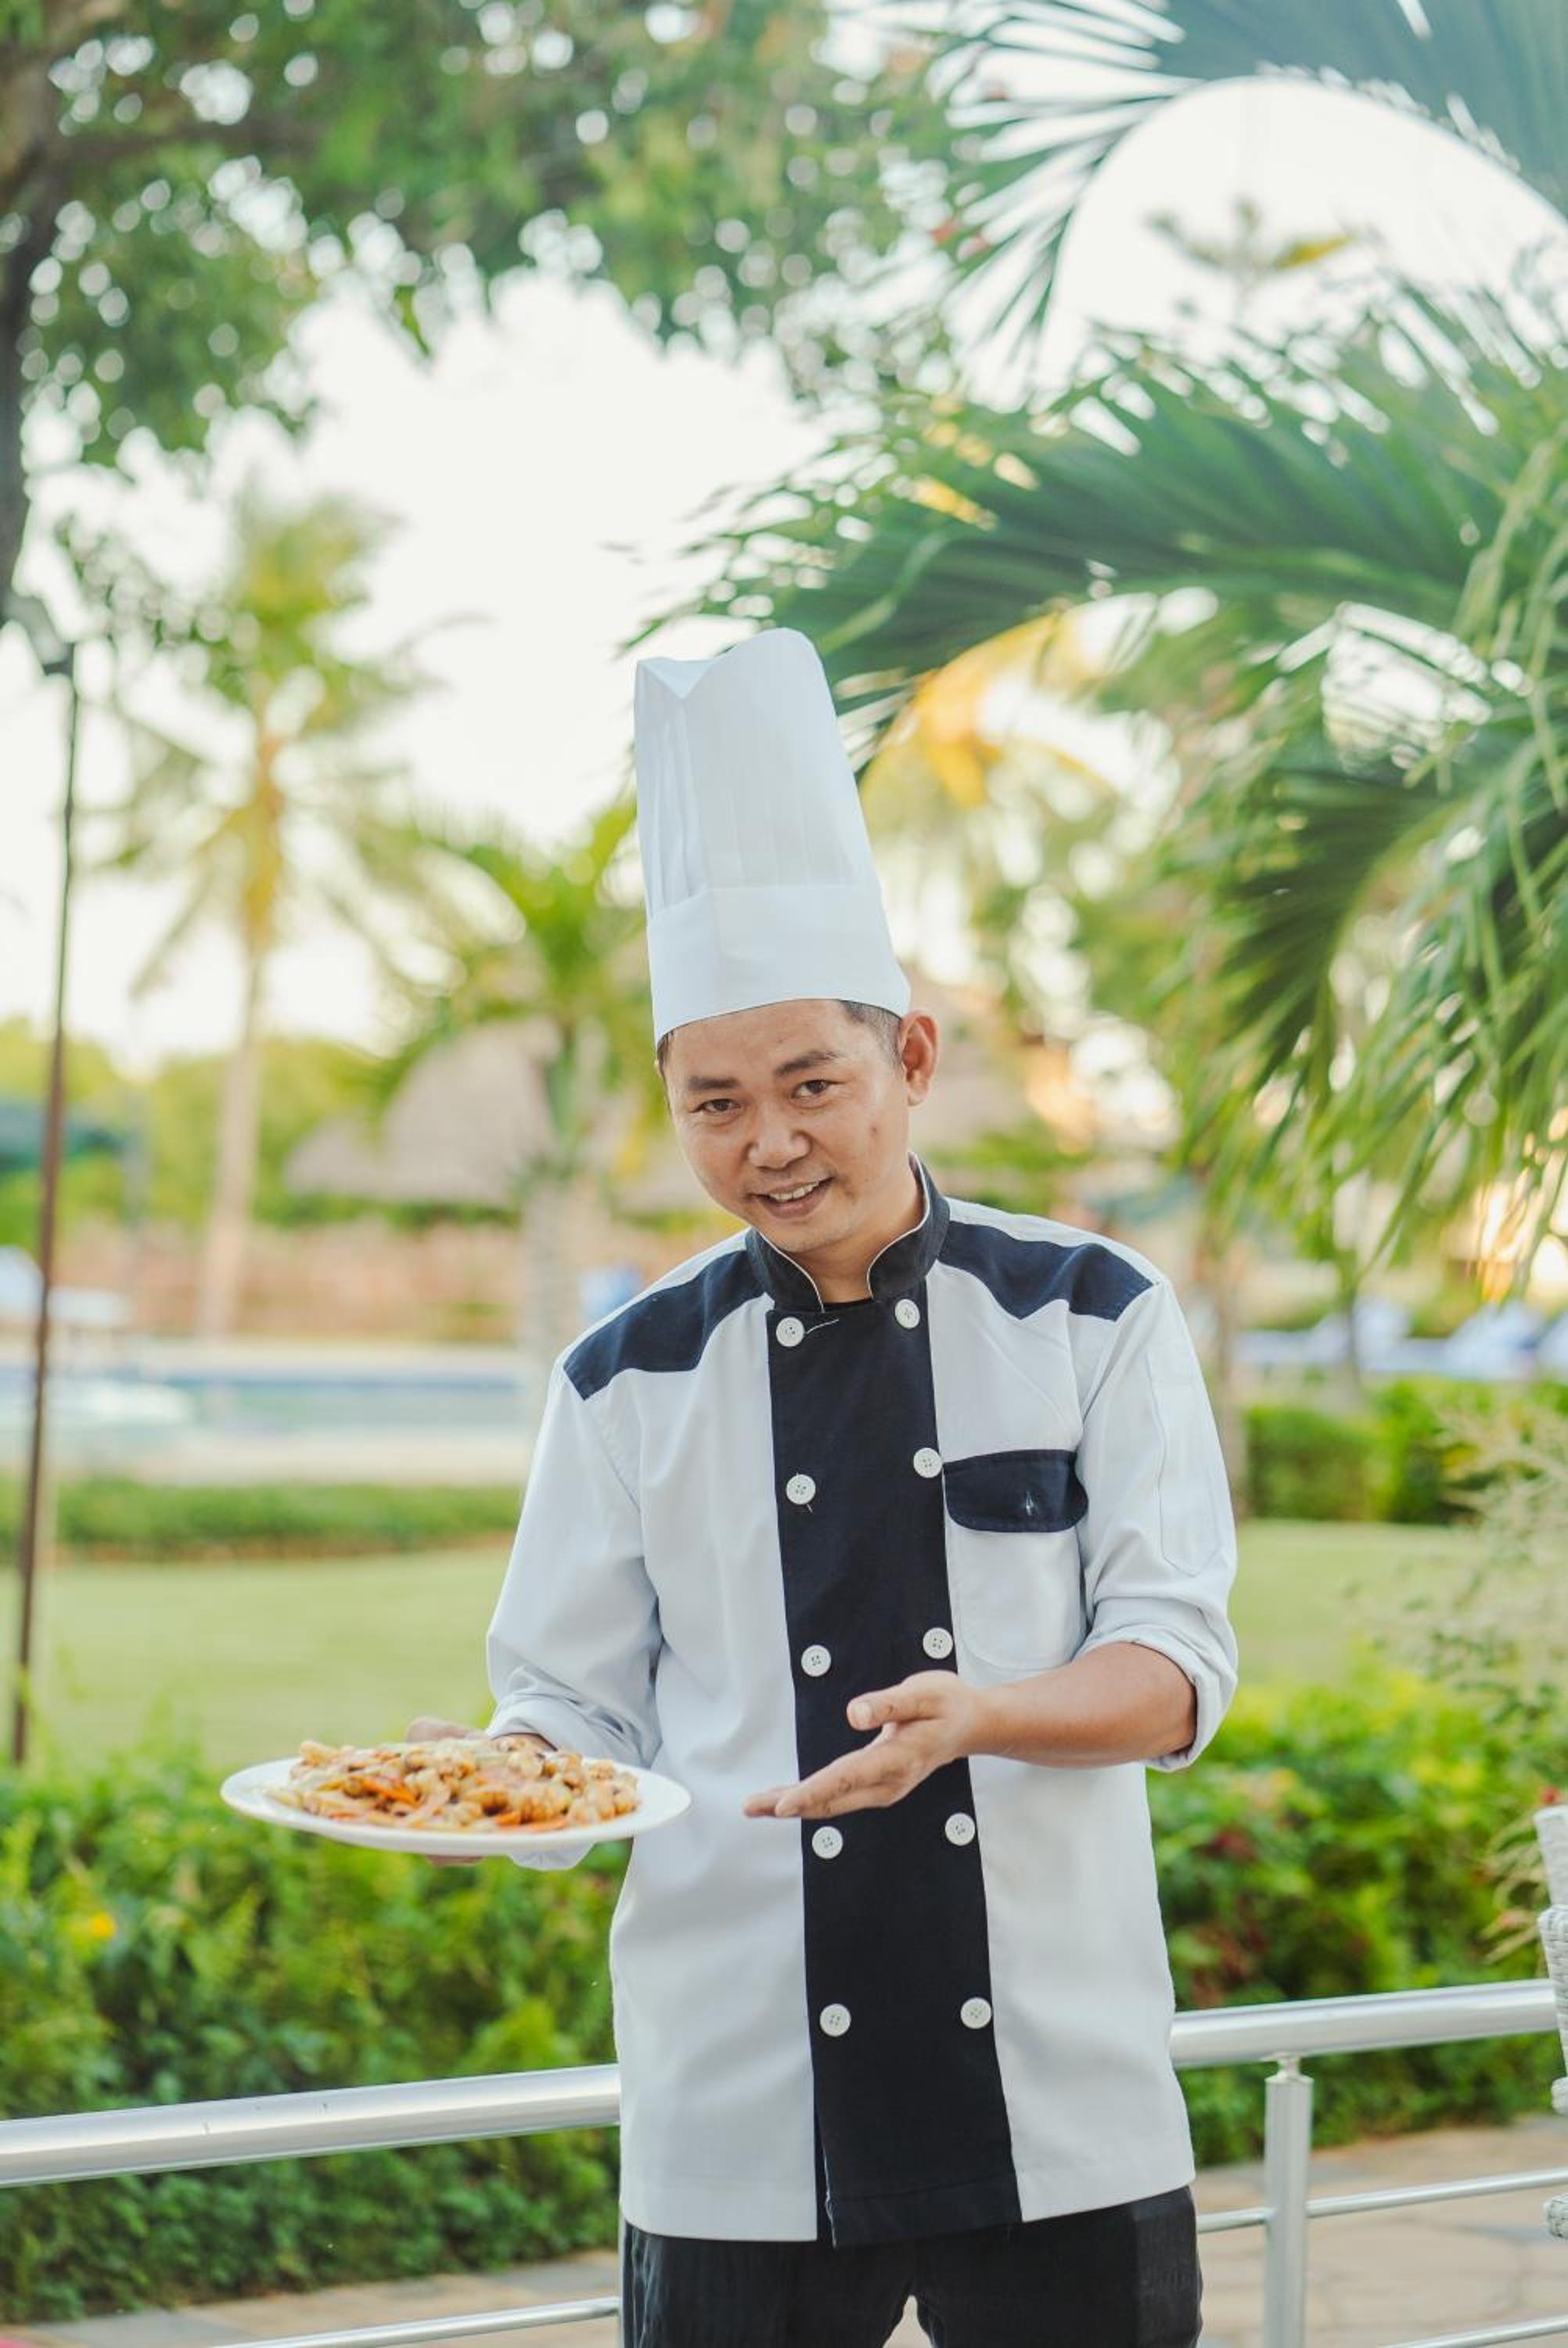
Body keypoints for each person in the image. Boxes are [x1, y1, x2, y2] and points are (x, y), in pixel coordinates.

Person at [410, 626, 1239, 2347]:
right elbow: (567, 1703)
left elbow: (1174, 1672)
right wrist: (497, 1776)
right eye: (715, 1104)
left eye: (813, 1085)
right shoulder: (623, 1377)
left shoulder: (1092, 1313)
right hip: (740, 2105)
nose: (770, 1143)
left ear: (912, 1059)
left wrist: (985, 1714)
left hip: (1060, 2088)